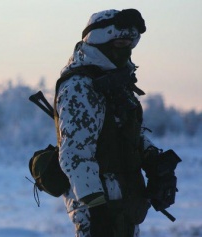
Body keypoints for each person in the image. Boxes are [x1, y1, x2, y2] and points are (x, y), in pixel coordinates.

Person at [55, 9, 159, 237]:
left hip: (123, 201)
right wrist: (97, 207)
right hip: (98, 208)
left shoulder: (114, 82)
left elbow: (126, 131)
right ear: (101, 42)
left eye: (131, 43)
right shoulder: (80, 86)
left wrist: (155, 160)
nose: (127, 49)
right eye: (121, 42)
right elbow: (75, 154)